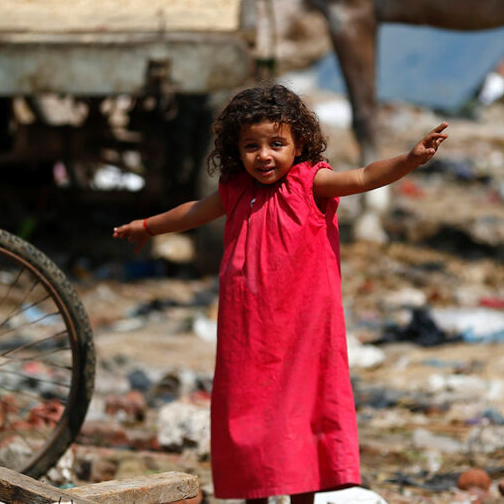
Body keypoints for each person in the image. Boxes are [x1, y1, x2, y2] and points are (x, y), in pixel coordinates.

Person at [113, 84, 448, 503]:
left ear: (299, 143)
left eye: (276, 143)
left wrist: (410, 160)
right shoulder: (235, 191)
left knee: (300, 415)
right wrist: (148, 226)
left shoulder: (312, 183)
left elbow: (363, 177)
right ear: (236, 150)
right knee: (248, 417)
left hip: (303, 332)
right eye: (251, 146)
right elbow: (194, 212)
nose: (264, 155)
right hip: (247, 332)